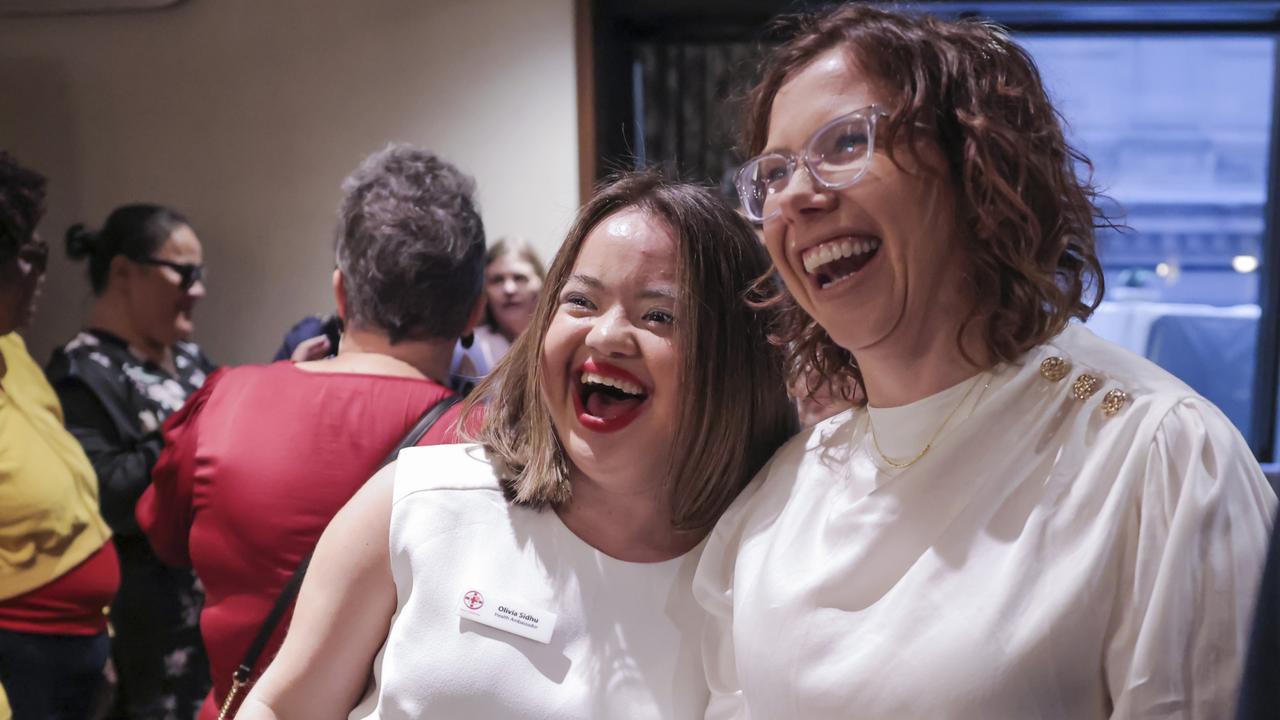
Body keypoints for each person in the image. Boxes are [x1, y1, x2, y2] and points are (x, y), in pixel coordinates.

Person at [696, 5, 1277, 719]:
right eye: (774, 173)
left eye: (845, 142)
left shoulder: (1158, 457)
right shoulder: (782, 491)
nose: (798, 197)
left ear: (974, 163)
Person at [236, 172, 798, 719]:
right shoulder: (416, 503)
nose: (604, 335)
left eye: (659, 315)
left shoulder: (761, 564)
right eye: (581, 301)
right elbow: (280, 707)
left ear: (733, 359)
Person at [136, 144, 486, 720]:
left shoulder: (224, 398)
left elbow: (164, 537)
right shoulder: (487, 444)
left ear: (342, 291)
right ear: (474, 311)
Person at [46, 204, 214, 719]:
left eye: (200, 275)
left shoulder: (188, 359)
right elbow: (112, 496)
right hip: (141, 643)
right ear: (123, 272)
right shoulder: (81, 373)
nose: (198, 289)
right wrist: (199, 419)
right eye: (184, 273)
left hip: (202, 629)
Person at [0, 151, 119, 719]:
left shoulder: (13, 353)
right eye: (29, 254)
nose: (40, 271)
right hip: (19, 663)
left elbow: (73, 509)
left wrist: (101, 633)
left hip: (73, 648)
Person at [451, 237, 545, 386]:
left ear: (540, 283)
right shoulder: (466, 350)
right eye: (497, 280)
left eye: (520, 278)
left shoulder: (556, 343)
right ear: (484, 290)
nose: (509, 289)